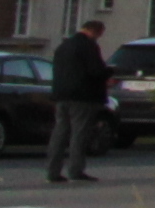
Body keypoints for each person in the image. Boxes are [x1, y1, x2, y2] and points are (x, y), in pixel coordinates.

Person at [45, 16, 112, 183]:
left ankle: (52, 171)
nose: (99, 38)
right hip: (82, 96)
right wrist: (109, 74)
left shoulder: (63, 46)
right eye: (99, 34)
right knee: (79, 134)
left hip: (61, 95)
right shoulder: (88, 46)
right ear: (95, 31)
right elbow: (96, 71)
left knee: (59, 133)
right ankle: (75, 170)